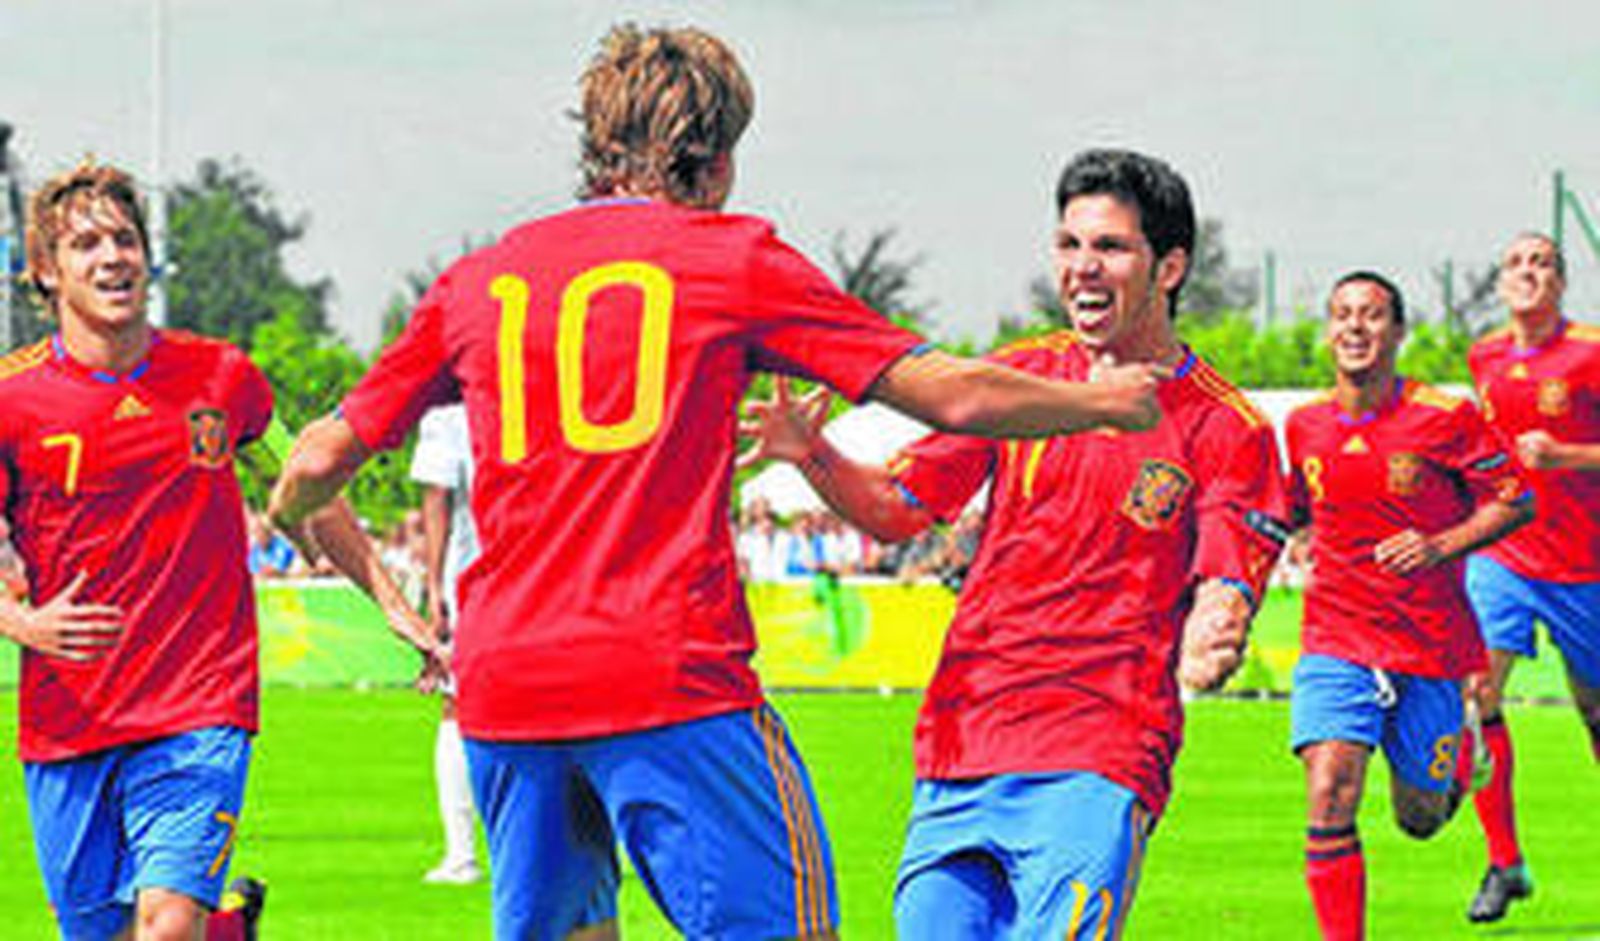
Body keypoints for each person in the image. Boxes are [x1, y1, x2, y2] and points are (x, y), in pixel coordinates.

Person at [267, 25, 1166, 941]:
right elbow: (955, 394)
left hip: (507, 685)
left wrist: (318, 536)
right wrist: (1103, 404)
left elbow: (313, 462)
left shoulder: (476, 281)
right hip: (664, 672)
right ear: (722, 156)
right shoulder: (731, 260)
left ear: (594, 142)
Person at [740, 148, 1288, 939]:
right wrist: (813, 454)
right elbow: (897, 508)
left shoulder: (1223, 424)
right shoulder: (1018, 376)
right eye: (1069, 245)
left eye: (1109, 247)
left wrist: (1215, 631)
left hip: (1100, 746)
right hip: (962, 740)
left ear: (1169, 266)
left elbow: (1229, 575)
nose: (1082, 267)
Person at [0, 160, 436, 941]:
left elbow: (305, 497)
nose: (113, 258)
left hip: (198, 702)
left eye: (126, 239)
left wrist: (395, 605)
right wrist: (20, 624)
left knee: (165, 926)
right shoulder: (12, 398)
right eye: (87, 243)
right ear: (45, 270)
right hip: (68, 716)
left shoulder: (220, 376)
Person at [1284, 271, 1532, 940]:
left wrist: (1439, 543)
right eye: (1342, 314)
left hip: (1428, 648)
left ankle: (1461, 758)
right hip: (1335, 640)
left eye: (1371, 315)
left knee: (1420, 818)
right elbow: (1292, 510)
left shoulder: (1444, 416)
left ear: (1397, 331)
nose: (1355, 327)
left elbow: (1516, 498)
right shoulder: (1304, 426)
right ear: (1329, 329)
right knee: (1331, 787)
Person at [1459, 231, 1600, 923]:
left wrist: (1568, 454)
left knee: (1596, 713)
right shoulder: (1482, 357)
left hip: (1587, 566)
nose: (1527, 272)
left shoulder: (1591, 352)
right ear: (1501, 281)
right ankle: (1504, 859)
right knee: (1479, 689)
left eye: (1541, 262)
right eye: (1515, 261)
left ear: (1560, 282)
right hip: (1505, 557)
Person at [409, 402, 486, 884]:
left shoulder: (445, 411)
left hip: (476, 581)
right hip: (551, 575)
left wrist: (434, 589)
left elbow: (436, 496)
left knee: (458, 707)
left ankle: (461, 856)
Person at [246, 510, 298, 578]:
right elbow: (252, 571)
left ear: (268, 532)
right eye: (254, 532)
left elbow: (275, 571)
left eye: (259, 531)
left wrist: (262, 572)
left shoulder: (282, 545)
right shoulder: (255, 549)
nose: (257, 536)